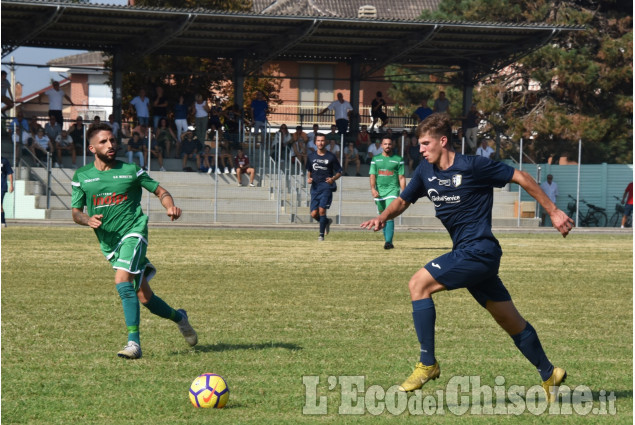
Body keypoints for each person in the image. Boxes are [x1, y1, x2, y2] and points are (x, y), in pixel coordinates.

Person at [360, 113, 573, 403]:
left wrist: (553, 211)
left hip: (479, 251)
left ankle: (427, 364)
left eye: (425, 143)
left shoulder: (473, 166)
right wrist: (382, 216)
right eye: (419, 144)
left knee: (418, 284)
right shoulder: (425, 171)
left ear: (442, 141)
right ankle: (550, 374)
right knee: (510, 321)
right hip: (470, 255)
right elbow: (402, 200)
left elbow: (520, 176)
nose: (420, 149)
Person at [71, 123, 197, 359]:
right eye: (103, 142)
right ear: (91, 148)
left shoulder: (131, 170)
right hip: (109, 243)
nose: (110, 145)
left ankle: (133, 343)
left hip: (134, 232)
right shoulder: (82, 176)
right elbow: (76, 212)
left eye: (112, 140)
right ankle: (180, 318)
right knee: (144, 297)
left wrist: (170, 207)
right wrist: (87, 219)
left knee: (122, 281)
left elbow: (161, 191)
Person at [369, 137, 406, 249]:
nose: (387, 146)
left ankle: (388, 242)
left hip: (392, 191)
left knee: (389, 215)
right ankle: (387, 240)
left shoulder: (398, 159)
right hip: (379, 192)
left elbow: (401, 177)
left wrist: (404, 192)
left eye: (389, 144)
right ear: (381, 145)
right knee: (382, 216)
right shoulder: (375, 159)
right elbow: (372, 175)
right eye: (385, 144)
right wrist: (373, 189)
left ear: (392, 145)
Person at [306, 133, 342, 241]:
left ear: (325, 142)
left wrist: (333, 179)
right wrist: (309, 178)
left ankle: (321, 235)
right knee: (313, 214)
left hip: (326, 187)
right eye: (318, 141)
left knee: (322, 210)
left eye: (322, 141)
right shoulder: (311, 156)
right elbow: (309, 170)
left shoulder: (331, 156)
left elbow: (339, 171)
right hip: (315, 188)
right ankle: (325, 221)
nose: (320, 143)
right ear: (315, 142)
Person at [1, 156, 14, 227]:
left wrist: (11, 185)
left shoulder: (4, 161)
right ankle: (3, 221)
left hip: (2, 186)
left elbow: (10, 173)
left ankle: (2, 222)